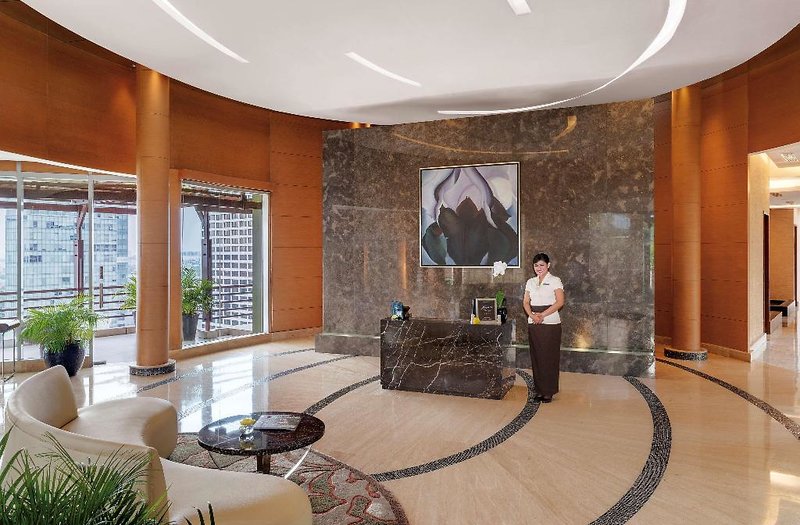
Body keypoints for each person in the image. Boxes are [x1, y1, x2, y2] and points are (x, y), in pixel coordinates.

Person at [522, 253, 565, 403]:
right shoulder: (530, 282)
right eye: (536, 265)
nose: (538, 268)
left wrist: (542, 315)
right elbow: (526, 302)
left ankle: (548, 391)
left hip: (550, 323)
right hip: (534, 322)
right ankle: (539, 390)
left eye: (542, 265)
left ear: (548, 265)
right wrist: (532, 315)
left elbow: (560, 302)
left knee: (549, 357)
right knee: (537, 357)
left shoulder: (555, 280)